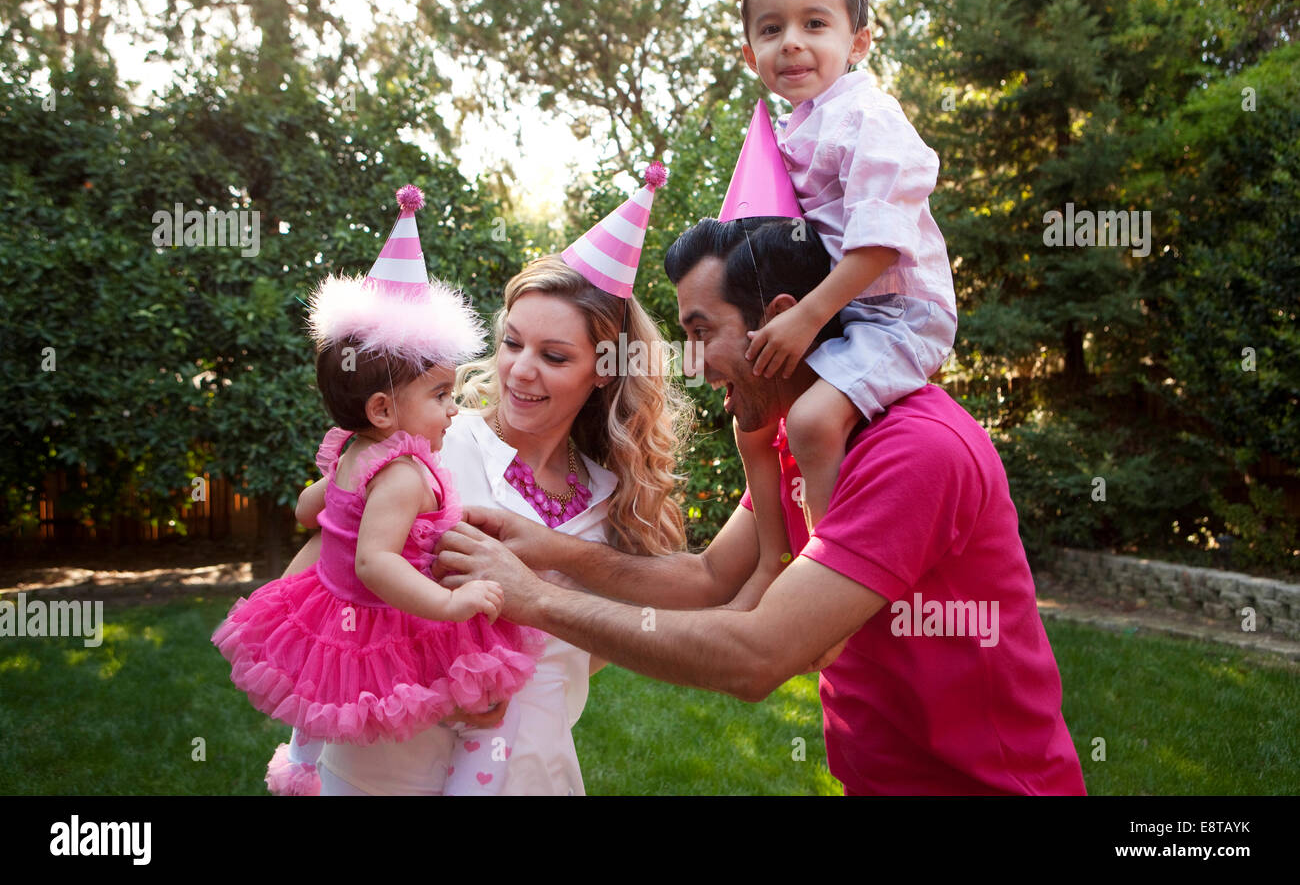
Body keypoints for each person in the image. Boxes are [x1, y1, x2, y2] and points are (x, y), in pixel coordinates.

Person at [438, 217, 1088, 796]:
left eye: (702, 331)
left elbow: (758, 655)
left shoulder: (914, 451)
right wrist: (549, 548)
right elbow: (712, 579)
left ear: (779, 317)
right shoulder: (795, 438)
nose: (692, 361)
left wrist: (536, 598)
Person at [288, 169, 692, 795]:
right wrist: (440, 681)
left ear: (603, 373)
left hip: (532, 773)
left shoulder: (612, 500)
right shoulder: (432, 453)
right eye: (511, 343)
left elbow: (608, 636)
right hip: (390, 772)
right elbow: (327, 579)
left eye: (555, 357)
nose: (520, 371)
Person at [213, 185, 543, 796]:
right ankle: (470, 783)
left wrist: (330, 504)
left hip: (325, 594)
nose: (454, 407)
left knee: (318, 689)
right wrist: (447, 604)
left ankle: (302, 770)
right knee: (479, 692)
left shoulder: (346, 447)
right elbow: (374, 558)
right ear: (386, 408)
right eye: (441, 395)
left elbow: (310, 509)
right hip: (380, 609)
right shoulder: (402, 474)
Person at [734, 0, 959, 533]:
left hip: (898, 312)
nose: (792, 42)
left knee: (808, 421)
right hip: (843, 312)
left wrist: (807, 317)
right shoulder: (789, 128)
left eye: (815, 23)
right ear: (749, 49)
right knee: (751, 415)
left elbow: (883, 243)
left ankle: (826, 560)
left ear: (858, 41)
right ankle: (768, 556)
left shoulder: (867, 117)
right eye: (771, 28)